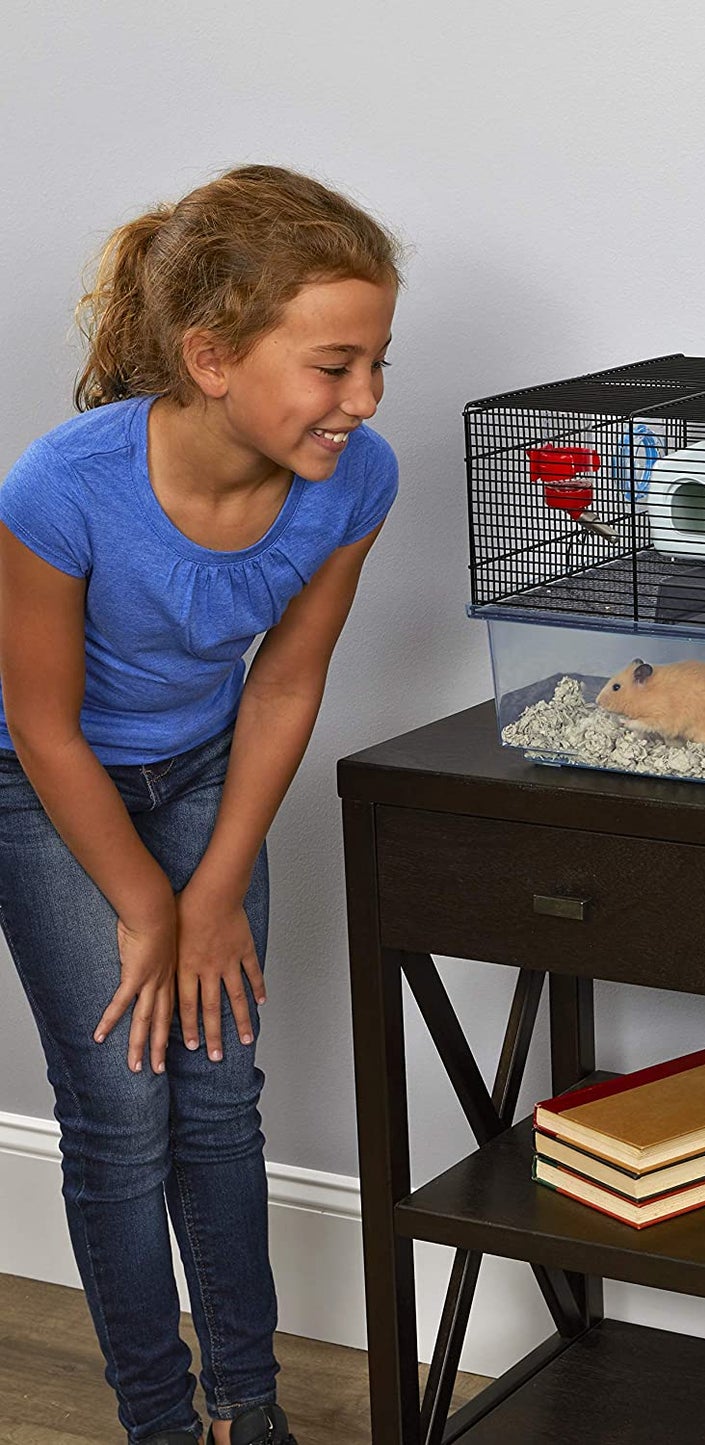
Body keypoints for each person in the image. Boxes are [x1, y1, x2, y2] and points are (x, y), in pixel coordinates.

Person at [0, 164, 403, 1445]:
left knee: (221, 1091)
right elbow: (42, 725)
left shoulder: (355, 480)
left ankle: (251, 1404)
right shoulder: (61, 487)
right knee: (123, 1107)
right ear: (212, 355)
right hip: (43, 784)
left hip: (202, 774)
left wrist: (216, 886)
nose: (365, 400)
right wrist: (145, 906)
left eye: (378, 362)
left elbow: (284, 681)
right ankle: (159, 1420)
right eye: (334, 365)